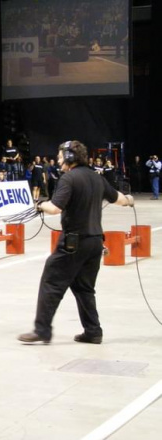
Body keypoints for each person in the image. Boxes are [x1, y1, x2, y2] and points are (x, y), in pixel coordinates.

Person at [18, 140, 134, 345]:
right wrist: (130, 199)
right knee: (84, 288)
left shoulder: (68, 178)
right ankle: (93, 331)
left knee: (51, 282)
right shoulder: (96, 178)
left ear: (71, 157)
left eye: (61, 155)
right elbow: (119, 199)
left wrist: (41, 205)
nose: (58, 158)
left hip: (74, 242)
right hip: (95, 242)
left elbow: (55, 208)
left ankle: (42, 330)